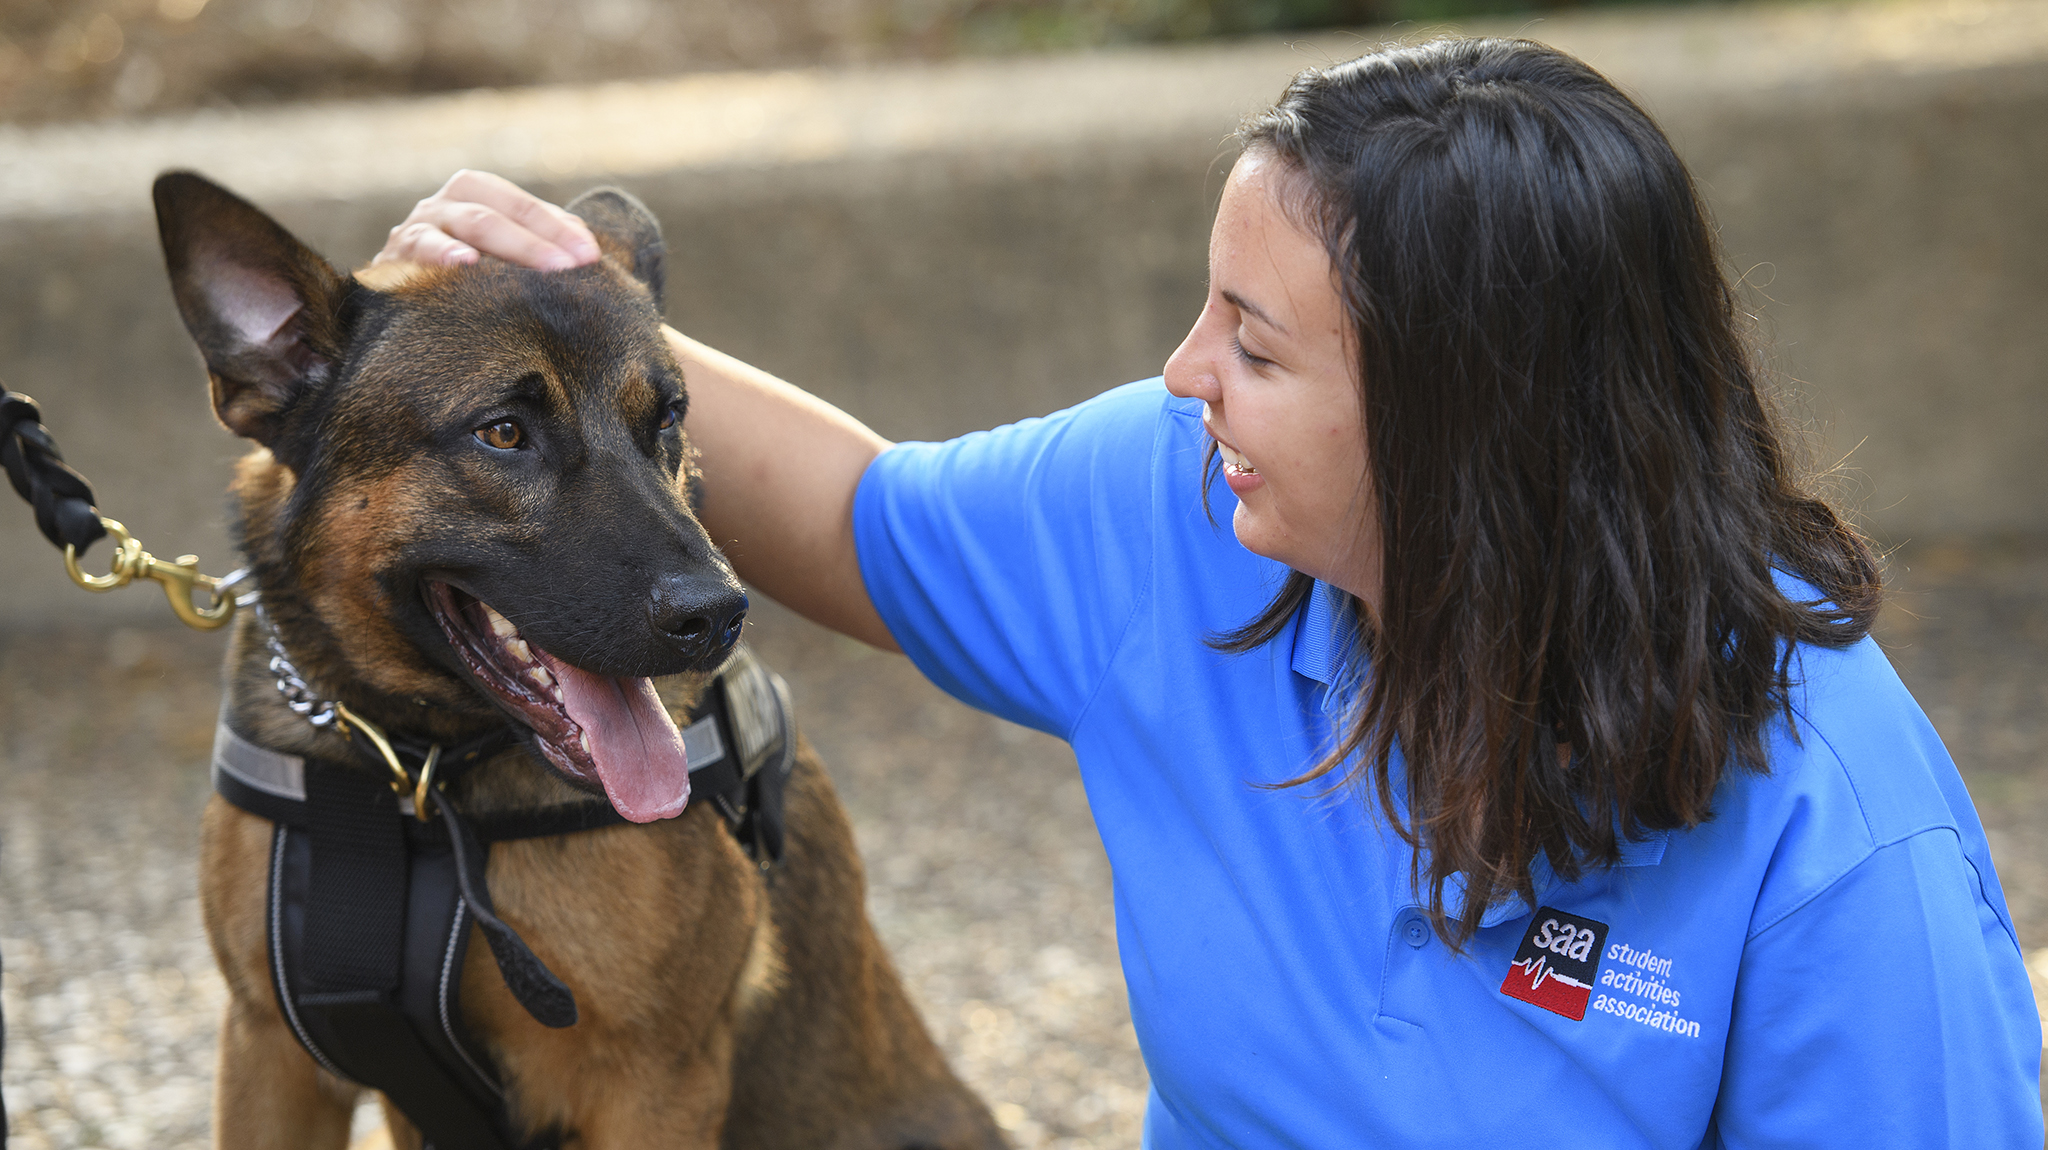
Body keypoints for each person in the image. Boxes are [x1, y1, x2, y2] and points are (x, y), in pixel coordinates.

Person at [376, 37, 2043, 1147]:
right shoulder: (1183, 506)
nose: (1186, 375)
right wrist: (581, 312)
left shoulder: (1838, 834)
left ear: (1464, 423)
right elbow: (859, 518)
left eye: (1253, 342)